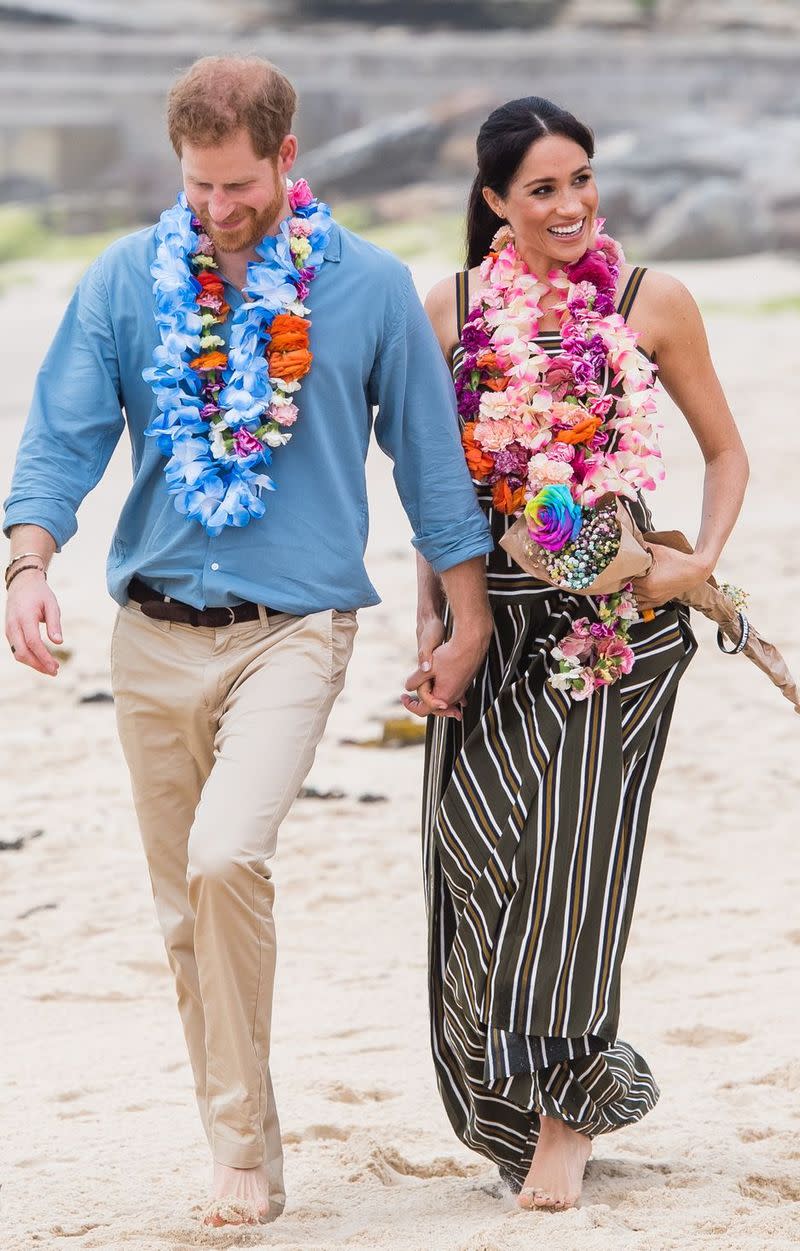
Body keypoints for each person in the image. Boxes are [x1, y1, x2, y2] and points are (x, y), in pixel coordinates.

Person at [3, 56, 494, 1228]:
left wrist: (465, 617)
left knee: (228, 860)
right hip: (151, 633)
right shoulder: (129, 277)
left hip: (295, 630)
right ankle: (244, 1144)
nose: (216, 213)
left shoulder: (366, 288)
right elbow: (62, 437)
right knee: (186, 910)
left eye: (236, 187)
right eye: (196, 189)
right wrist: (26, 564)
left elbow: (429, 468)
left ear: (286, 158)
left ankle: (237, 1150)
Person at [402, 96, 749, 1212]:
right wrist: (438, 624)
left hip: (618, 623)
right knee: (467, 855)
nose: (570, 205)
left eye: (581, 180)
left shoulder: (653, 300)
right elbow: (432, 488)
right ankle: (509, 1098)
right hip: (491, 616)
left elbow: (724, 452)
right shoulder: (447, 308)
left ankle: (567, 1112)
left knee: (571, 863)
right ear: (495, 201)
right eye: (541, 188)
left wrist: (695, 566)